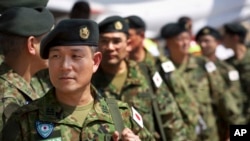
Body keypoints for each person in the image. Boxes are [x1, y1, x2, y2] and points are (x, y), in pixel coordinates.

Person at [2, 19, 154, 141]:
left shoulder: (122, 116)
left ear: (95, 62)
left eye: (76, 56)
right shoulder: (25, 120)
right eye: (56, 56)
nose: (65, 66)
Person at [92, 15, 187, 141]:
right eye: (104, 41)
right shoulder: (88, 80)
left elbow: (171, 119)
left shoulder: (146, 74)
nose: (110, 47)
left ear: (128, 43)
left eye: (116, 41)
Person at [160, 22, 240, 141]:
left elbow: (224, 98)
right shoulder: (161, 70)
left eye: (187, 38)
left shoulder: (203, 64)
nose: (185, 43)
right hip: (181, 136)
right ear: (168, 42)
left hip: (210, 135)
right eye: (180, 39)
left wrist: (237, 133)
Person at [125, 15, 199, 140]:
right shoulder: (121, 67)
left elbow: (183, 102)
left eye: (129, 36)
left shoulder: (160, 66)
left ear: (141, 36)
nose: (125, 40)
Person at [0, 7, 54, 131]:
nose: (53, 46)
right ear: (31, 45)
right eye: (49, 39)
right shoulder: (7, 99)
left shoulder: (27, 86)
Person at [196, 26, 246, 140]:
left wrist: (236, 133)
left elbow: (236, 102)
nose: (203, 45)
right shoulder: (193, 68)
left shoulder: (227, 69)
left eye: (207, 41)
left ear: (217, 42)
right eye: (200, 41)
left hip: (226, 127)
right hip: (204, 129)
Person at [222, 22, 250, 123]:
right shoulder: (227, 64)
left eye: (225, 37)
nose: (222, 40)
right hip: (239, 119)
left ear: (235, 38)